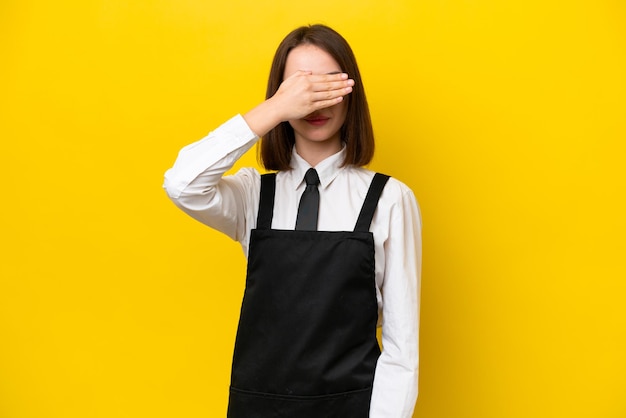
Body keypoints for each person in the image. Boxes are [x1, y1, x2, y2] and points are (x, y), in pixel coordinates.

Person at [163, 24, 421, 418]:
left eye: (329, 83)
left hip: (351, 407)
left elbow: (402, 349)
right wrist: (274, 110)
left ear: (352, 91)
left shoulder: (390, 199)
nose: (315, 101)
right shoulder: (252, 195)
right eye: (301, 86)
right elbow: (182, 184)